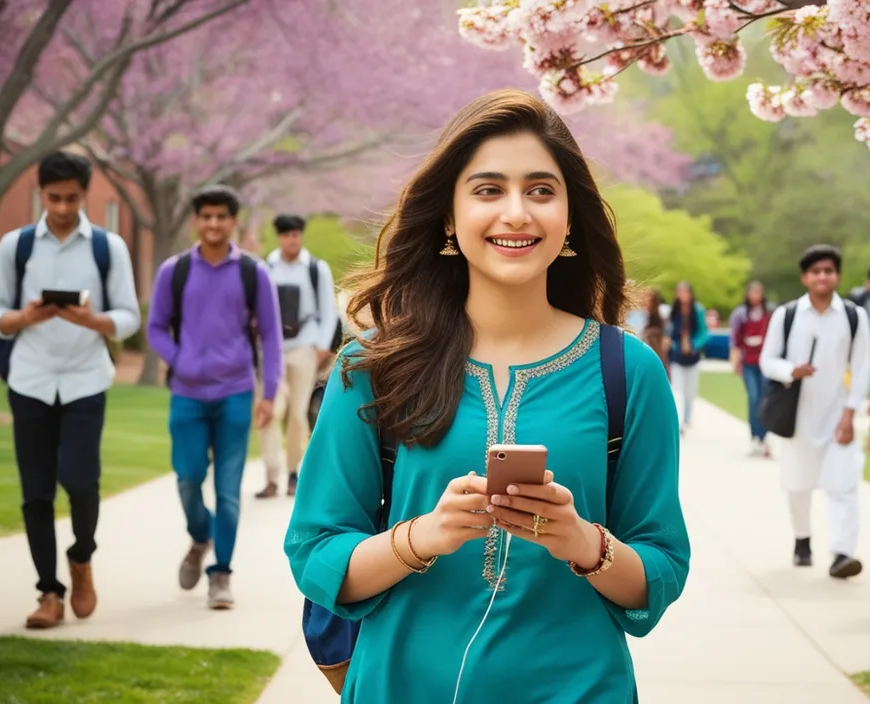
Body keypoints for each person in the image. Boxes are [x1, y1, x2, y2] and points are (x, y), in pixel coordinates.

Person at [284, 89, 689, 702]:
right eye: (488, 189)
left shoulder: (627, 370)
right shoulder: (372, 364)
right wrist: (425, 534)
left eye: (541, 190)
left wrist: (580, 539)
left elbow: (659, 568)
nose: (517, 213)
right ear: (449, 217)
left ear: (570, 217)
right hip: (401, 686)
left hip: (578, 687)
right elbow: (315, 551)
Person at [0, 151, 141, 629]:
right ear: (41, 194)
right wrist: (26, 316)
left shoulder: (108, 248)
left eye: (72, 198)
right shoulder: (17, 246)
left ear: (84, 194)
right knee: (35, 492)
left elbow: (129, 316)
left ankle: (81, 558)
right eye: (54, 198)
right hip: (30, 380)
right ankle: (48, 593)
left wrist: (92, 320)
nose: (64, 207)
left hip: (84, 380)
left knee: (80, 481)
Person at [146, 185, 283, 610]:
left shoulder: (252, 272)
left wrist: (269, 392)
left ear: (233, 221)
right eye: (205, 216)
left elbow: (271, 336)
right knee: (187, 479)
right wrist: (180, 360)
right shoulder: (175, 270)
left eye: (221, 216)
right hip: (187, 395)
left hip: (235, 394)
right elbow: (155, 328)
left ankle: (221, 573)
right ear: (195, 221)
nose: (213, 224)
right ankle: (200, 536)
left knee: (227, 489)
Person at [760, 245, 870, 578]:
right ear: (805, 277)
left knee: (844, 484)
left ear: (837, 275)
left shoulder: (854, 316)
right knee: (797, 484)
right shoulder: (788, 314)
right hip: (797, 417)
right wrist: (792, 370)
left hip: (839, 417)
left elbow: (863, 368)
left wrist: (851, 414)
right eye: (816, 271)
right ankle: (802, 539)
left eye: (829, 270)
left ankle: (841, 554)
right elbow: (767, 360)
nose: (823, 276)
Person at [257, 213, 340, 499]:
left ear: (300, 236)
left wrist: (322, 347)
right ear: (279, 237)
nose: (291, 239)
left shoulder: (316, 268)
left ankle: (293, 472)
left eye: (295, 234)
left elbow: (328, 311)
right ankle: (271, 474)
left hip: (305, 345)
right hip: (272, 348)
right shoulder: (266, 267)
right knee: (270, 409)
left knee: (297, 413)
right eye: (286, 234)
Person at [729, 281, 775, 456]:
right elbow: (734, 339)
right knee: (753, 398)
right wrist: (735, 360)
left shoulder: (769, 313)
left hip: (764, 361)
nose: (755, 295)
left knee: (765, 399)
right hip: (748, 361)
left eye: (758, 292)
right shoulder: (741, 314)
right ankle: (755, 435)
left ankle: (764, 436)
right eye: (752, 292)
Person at [669, 280, 708, 435]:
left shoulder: (697, 310)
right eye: (679, 291)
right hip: (677, 356)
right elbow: (669, 334)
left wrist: (693, 345)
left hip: (693, 357)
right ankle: (679, 423)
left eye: (685, 291)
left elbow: (704, 333)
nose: (682, 295)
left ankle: (687, 418)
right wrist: (675, 345)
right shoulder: (673, 312)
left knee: (690, 392)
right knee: (677, 389)